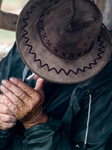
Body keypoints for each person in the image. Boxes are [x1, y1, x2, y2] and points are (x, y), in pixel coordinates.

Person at [0, 0, 112, 149]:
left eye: (54, 65)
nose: (37, 71)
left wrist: (36, 123)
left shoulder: (103, 85)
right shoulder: (26, 43)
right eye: (39, 56)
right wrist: (2, 125)